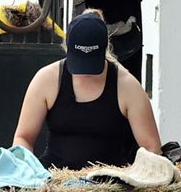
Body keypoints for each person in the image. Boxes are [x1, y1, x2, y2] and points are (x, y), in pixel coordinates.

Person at [12, 10, 162, 169]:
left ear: (105, 50)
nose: (85, 74)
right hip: (54, 177)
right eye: (80, 63)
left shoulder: (127, 86)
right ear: (67, 48)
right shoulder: (46, 79)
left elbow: (152, 148)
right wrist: (24, 173)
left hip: (110, 183)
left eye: (91, 63)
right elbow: (23, 138)